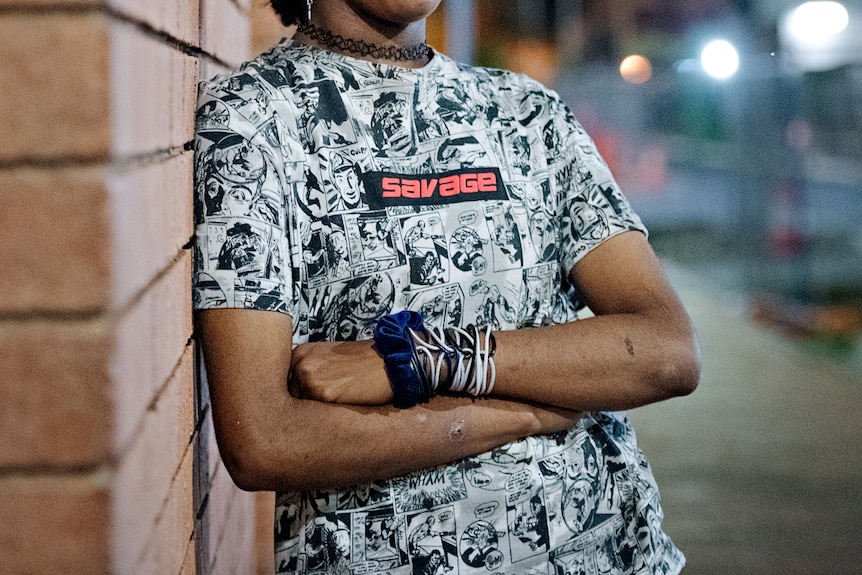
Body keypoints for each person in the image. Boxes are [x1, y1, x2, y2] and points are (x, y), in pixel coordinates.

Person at [192, 1, 701, 573]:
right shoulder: (253, 121)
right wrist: (521, 414)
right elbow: (263, 439)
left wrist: (427, 359)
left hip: (616, 553)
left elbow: (666, 352)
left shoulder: (526, 113)